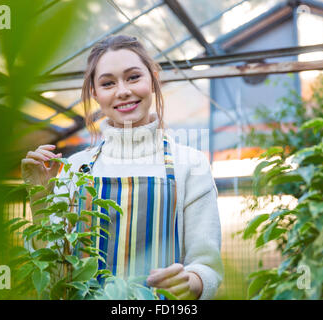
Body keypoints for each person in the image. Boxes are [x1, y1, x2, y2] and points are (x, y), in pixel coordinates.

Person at [21, 35, 223, 300]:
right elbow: (52, 267)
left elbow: (207, 265)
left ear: (152, 79)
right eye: (108, 83)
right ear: (95, 93)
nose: (122, 91)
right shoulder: (75, 167)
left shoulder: (190, 164)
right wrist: (40, 201)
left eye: (133, 77)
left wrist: (192, 282)